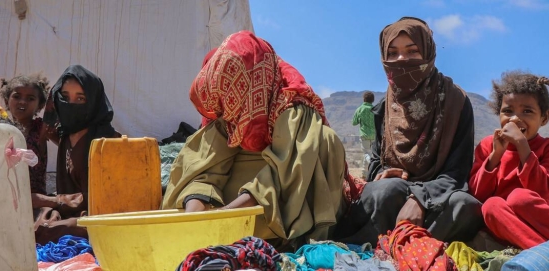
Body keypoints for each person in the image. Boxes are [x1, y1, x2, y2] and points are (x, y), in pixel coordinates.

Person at [162, 31, 348, 249]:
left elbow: (282, 177)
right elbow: (202, 167)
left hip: (273, 214)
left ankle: (291, 241)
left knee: (324, 141)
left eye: (232, 102)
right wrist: (195, 219)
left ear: (250, 87)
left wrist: (226, 216)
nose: (227, 113)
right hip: (229, 219)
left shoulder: (291, 109)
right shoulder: (228, 107)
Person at [333, 17, 483, 245]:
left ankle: (404, 247)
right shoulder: (384, 107)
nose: (401, 59)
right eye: (392, 53)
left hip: (439, 196)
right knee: (383, 190)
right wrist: (385, 171)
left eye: (412, 51)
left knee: (464, 206)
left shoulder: (456, 102)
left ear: (428, 53)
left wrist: (421, 198)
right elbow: (376, 161)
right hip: (394, 193)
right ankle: (394, 246)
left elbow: (457, 172)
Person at [469, 71, 549, 249]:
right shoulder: (488, 146)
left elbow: (543, 190)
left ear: (544, 117)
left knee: (519, 197)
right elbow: (478, 195)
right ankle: (547, 254)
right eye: (508, 111)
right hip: (509, 226)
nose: (515, 119)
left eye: (527, 111)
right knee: (491, 205)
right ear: (499, 114)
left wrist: (522, 146)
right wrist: (496, 155)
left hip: (544, 224)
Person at [34, 65, 120, 244]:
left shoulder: (108, 141)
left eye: (80, 98)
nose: (70, 105)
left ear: (93, 102)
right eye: (64, 98)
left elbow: (111, 198)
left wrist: (52, 201)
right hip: (68, 212)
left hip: (100, 217)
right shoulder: (65, 135)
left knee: (46, 231)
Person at [1, 74, 51, 207]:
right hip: (6, 198)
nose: (22, 102)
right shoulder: (2, 129)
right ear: (6, 101)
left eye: (30, 98)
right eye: (17, 96)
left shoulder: (41, 129)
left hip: (35, 200)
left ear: (39, 105)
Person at [352, 91, 376, 178]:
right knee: (371, 153)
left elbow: (354, 122)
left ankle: (373, 165)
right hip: (374, 136)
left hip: (364, 135)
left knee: (366, 154)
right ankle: (365, 174)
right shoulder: (375, 109)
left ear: (364, 99)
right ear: (372, 100)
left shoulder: (360, 109)